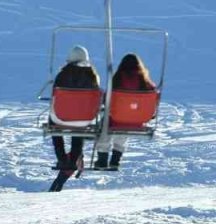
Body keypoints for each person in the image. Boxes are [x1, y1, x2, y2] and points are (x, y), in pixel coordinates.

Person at [48, 45, 101, 191]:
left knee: (54, 127)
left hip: (62, 116)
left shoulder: (62, 75)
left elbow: (56, 96)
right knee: (79, 132)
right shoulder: (92, 76)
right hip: (82, 118)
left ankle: (62, 159)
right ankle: (73, 158)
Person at [96, 53, 156, 170]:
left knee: (107, 123)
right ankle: (115, 160)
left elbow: (106, 100)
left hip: (116, 119)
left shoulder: (117, 80)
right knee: (126, 122)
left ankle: (102, 158)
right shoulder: (145, 82)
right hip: (136, 121)